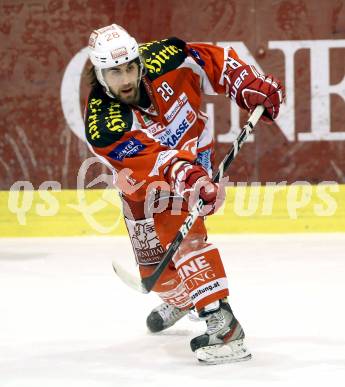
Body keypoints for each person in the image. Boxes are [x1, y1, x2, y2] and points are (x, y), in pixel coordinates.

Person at [84, 23, 284, 364]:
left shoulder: (166, 57)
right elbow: (153, 162)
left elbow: (213, 59)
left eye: (131, 66)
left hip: (189, 163)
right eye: (115, 72)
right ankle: (183, 298)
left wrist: (247, 84)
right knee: (154, 274)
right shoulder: (104, 123)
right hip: (142, 179)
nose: (127, 78)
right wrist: (185, 174)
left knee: (182, 231)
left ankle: (222, 325)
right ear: (100, 74)